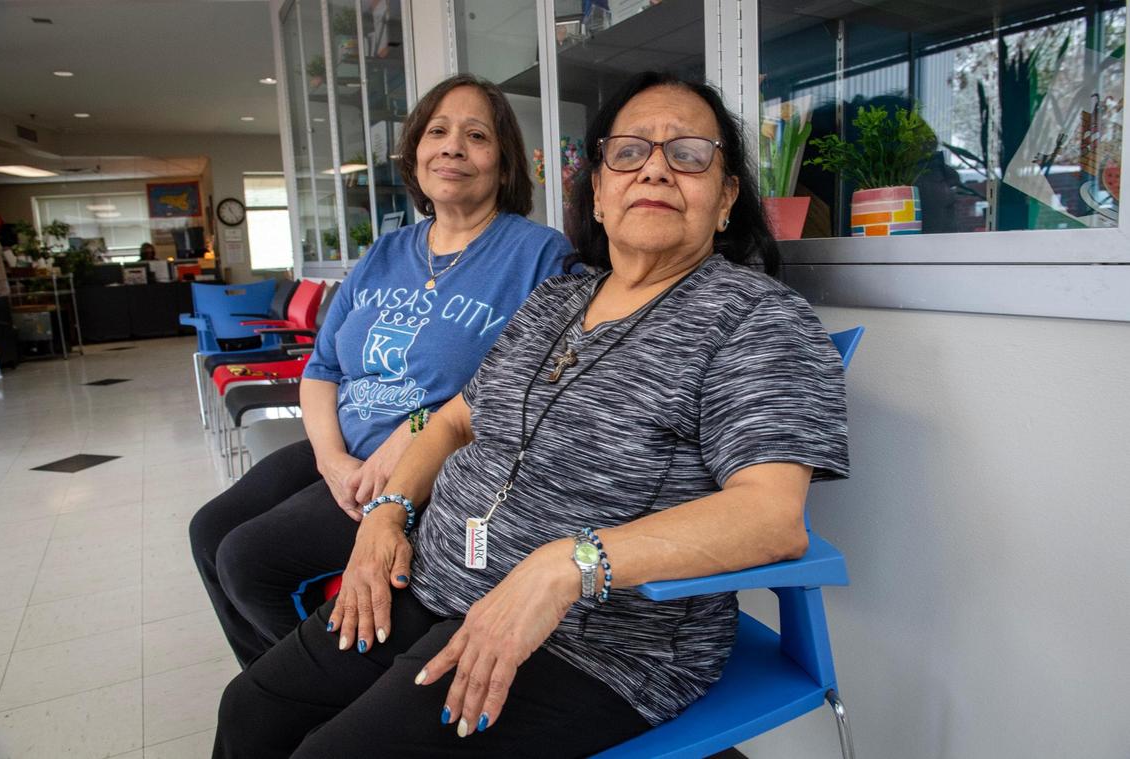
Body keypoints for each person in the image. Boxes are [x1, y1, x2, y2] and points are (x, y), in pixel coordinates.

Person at [213, 71, 849, 758]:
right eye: (630, 152)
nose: (657, 169)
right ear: (599, 195)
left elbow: (771, 517)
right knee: (249, 709)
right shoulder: (555, 303)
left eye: (689, 154)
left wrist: (564, 565)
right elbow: (451, 420)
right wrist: (389, 510)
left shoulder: (758, 319)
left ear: (725, 199)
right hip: (436, 579)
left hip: (599, 640)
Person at [189, 73, 572, 667]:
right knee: (209, 531)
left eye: (476, 135)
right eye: (438, 132)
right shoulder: (385, 253)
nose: (452, 147)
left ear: (504, 165)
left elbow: (536, 382)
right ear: (416, 154)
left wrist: (418, 432)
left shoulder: (539, 254)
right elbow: (321, 368)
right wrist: (331, 460)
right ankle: (280, 684)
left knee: (249, 560)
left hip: (434, 470)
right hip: (347, 449)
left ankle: (318, 689)